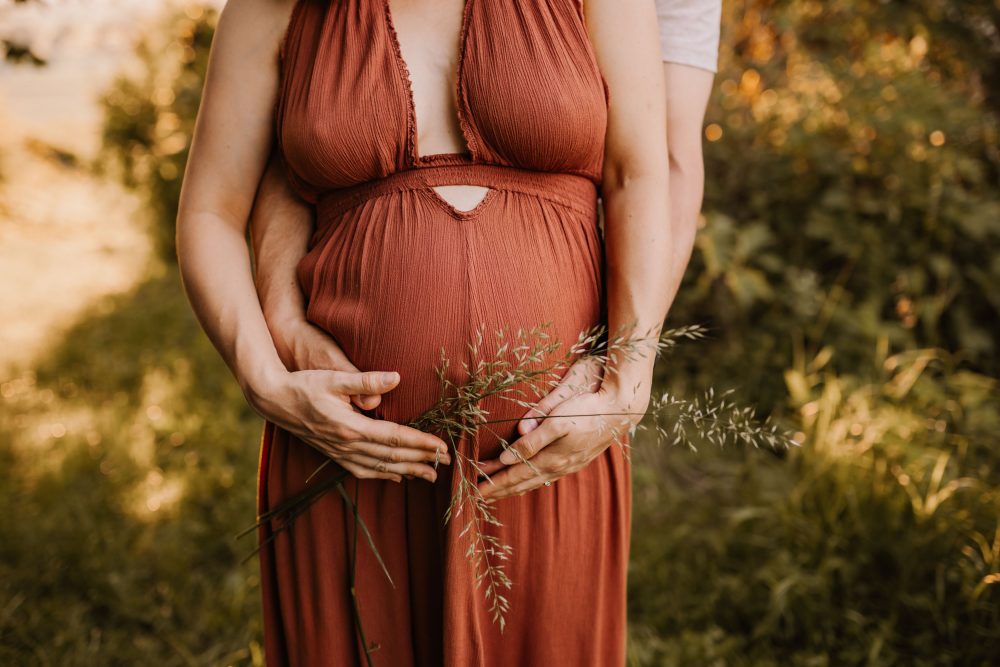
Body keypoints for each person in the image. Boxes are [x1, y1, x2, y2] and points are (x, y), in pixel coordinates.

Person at [174, 0, 712, 664]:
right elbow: (210, 212)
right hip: (346, 445)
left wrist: (627, 379)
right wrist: (264, 378)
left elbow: (640, 175)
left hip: (546, 448)